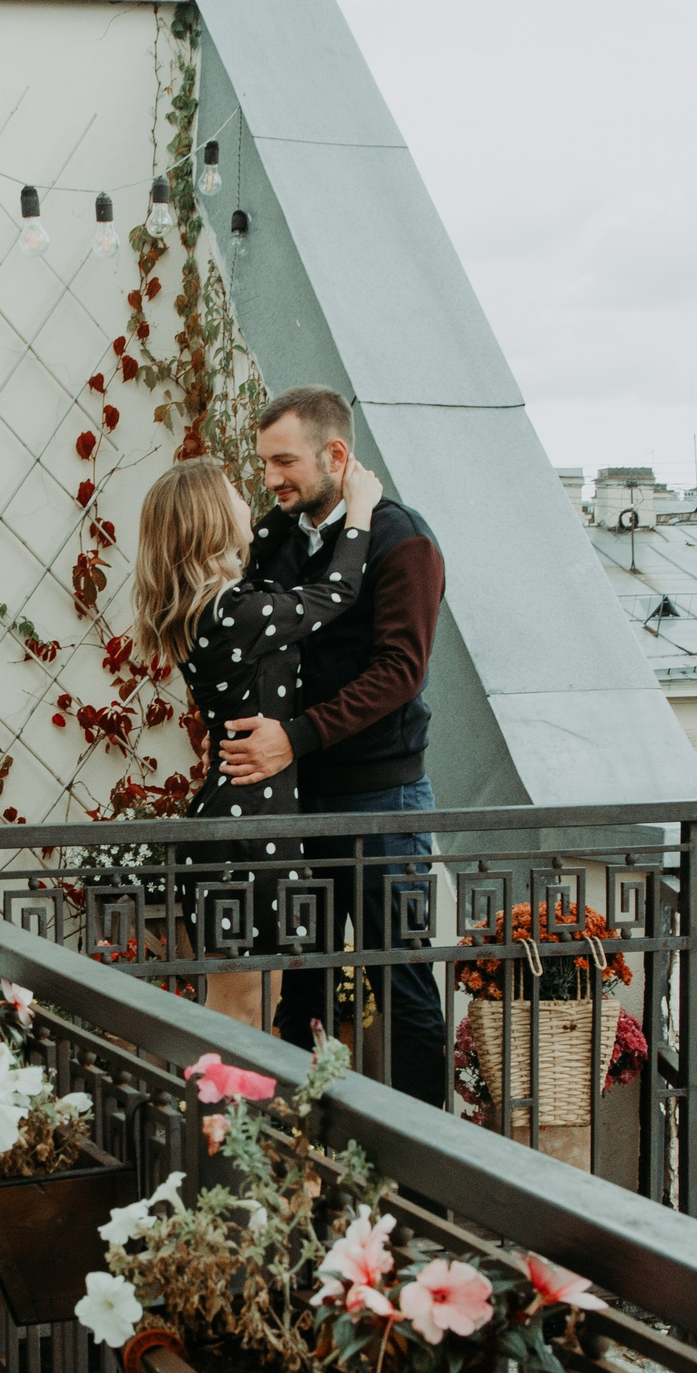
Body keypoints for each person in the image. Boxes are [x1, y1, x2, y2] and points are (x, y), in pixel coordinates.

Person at [220, 385, 449, 1105]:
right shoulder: (279, 539)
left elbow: (399, 672)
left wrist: (295, 737)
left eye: (284, 461)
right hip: (302, 801)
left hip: (384, 803)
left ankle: (426, 1165)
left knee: (403, 986)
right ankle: (302, 1148)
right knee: (303, 987)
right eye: (264, 463)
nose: (271, 477)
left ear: (336, 454)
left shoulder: (402, 539)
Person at [130, 455, 384, 1030]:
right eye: (236, 495)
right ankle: (209, 1094)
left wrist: (301, 486)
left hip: (251, 817)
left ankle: (233, 1095)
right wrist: (361, 510)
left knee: (260, 1004)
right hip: (243, 829)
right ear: (215, 519)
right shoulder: (235, 612)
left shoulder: (216, 606)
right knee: (240, 1009)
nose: (252, 501)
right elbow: (336, 592)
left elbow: (264, 529)